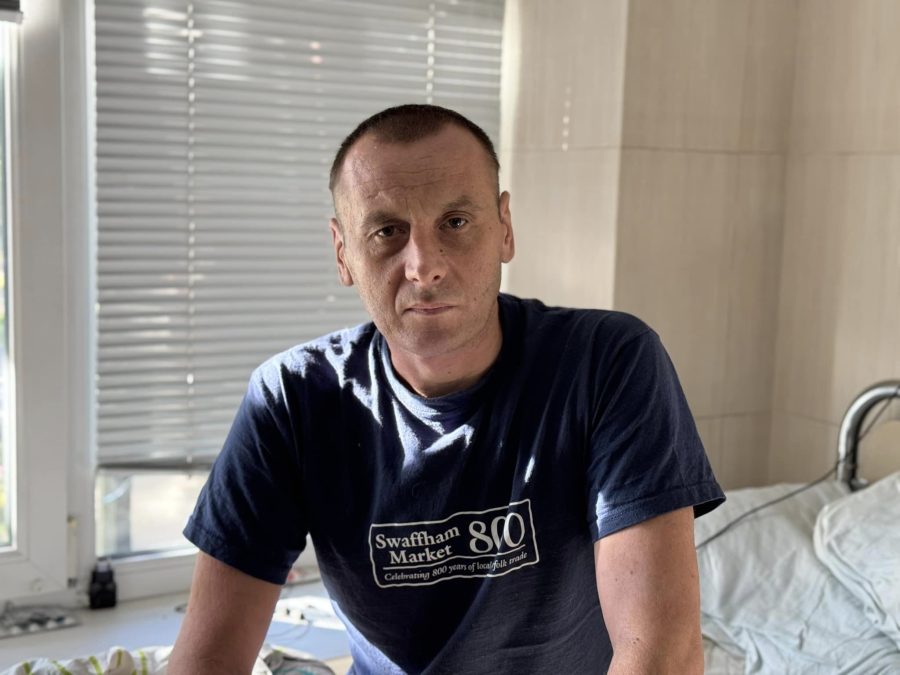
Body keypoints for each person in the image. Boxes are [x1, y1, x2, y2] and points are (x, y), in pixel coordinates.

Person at [168, 104, 725, 674]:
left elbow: (661, 654)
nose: (424, 265)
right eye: (387, 231)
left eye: (455, 222)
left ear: (504, 229)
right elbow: (206, 662)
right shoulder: (292, 398)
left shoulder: (607, 362)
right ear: (343, 252)